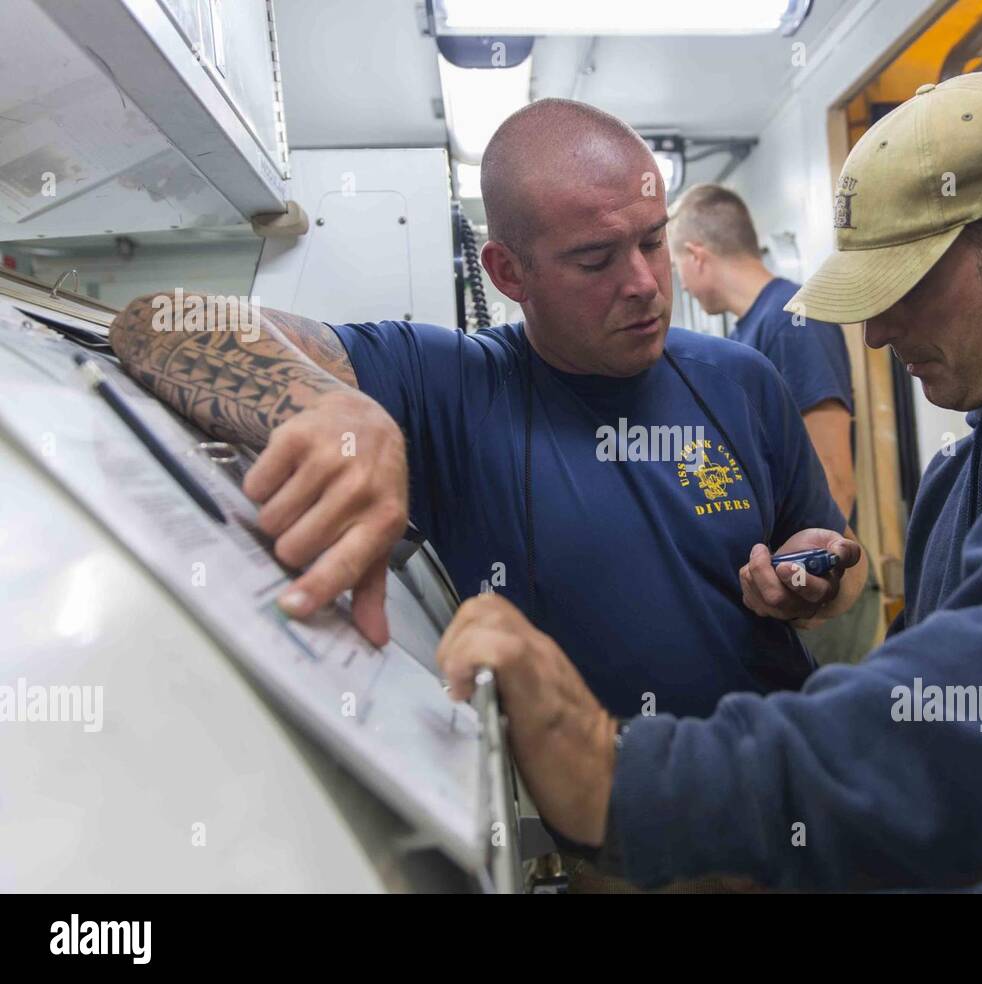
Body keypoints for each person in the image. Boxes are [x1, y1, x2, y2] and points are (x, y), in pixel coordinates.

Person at [435, 71, 982, 892]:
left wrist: (625, 780)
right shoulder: (969, 465)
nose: (878, 332)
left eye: (905, 286)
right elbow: (935, 723)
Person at [107, 97, 868, 728]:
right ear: (508, 272)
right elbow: (155, 321)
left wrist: (818, 577)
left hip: (785, 799)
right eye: (596, 259)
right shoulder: (451, 387)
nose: (642, 282)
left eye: (652, 241)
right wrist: (329, 405)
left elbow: (830, 566)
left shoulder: (742, 379)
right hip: (622, 838)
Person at [669, 184, 878, 664]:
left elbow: (833, 477)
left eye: (678, 265)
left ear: (697, 256)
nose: (680, 282)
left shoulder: (792, 323)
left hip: (820, 600)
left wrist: (806, 586)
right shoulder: (745, 337)